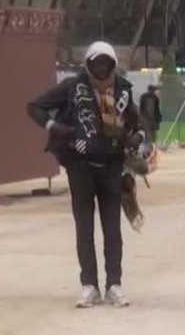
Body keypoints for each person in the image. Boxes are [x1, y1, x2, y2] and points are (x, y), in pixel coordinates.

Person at [27, 41, 142, 308]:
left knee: (113, 228)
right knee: (84, 228)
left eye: (106, 63)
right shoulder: (71, 88)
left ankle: (114, 284)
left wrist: (138, 137)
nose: (101, 69)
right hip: (80, 166)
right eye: (96, 63)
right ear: (88, 65)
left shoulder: (123, 90)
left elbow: (137, 122)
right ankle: (89, 285)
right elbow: (34, 107)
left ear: (113, 64)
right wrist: (55, 127)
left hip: (112, 165)